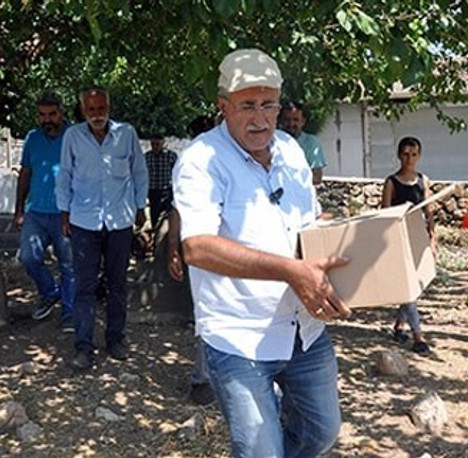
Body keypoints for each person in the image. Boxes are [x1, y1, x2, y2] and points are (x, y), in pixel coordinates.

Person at [172, 48, 351, 457]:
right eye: (248, 105)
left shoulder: (290, 150)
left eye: (269, 105)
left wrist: (347, 237)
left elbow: (308, 222)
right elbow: (196, 247)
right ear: (223, 107)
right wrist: (290, 270)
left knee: (322, 433)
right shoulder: (201, 160)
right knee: (261, 452)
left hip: (304, 330)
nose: (261, 118)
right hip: (240, 338)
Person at [56, 87, 149, 370]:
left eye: (101, 108)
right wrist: (64, 212)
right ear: (83, 111)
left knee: (117, 284)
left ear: (108, 107)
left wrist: (140, 207)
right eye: (91, 109)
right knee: (84, 286)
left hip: (119, 221)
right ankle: (84, 346)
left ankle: (116, 339)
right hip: (84, 221)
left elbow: (139, 171)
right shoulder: (73, 136)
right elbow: (65, 175)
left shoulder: (126, 134)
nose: (97, 115)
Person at [14, 91, 75, 332]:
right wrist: (19, 209)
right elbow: (25, 173)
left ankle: (69, 313)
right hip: (36, 212)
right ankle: (50, 292)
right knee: (29, 258)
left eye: (52, 114)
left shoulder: (75, 135)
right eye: (42, 115)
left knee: (69, 265)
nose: (47, 119)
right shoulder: (32, 138)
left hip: (66, 212)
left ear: (61, 112)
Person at [167, 114, 216, 406]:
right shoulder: (190, 165)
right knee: (208, 312)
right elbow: (177, 209)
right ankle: (203, 379)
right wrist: (173, 248)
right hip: (202, 249)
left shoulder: (235, 159)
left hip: (233, 249)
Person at [380, 136, 435, 356]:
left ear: (419, 156)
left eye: (413, 154)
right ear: (398, 155)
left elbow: (429, 212)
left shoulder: (423, 180)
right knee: (408, 286)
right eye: (405, 154)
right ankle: (418, 336)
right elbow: (384, 214)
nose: (409, 159)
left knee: (414, 285)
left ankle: (399, 326)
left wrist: (433, 239)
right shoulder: (391, 182)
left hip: (417, 239)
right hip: (397, 239)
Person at [279, 101, 327, 185]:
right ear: (281, 121)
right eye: (287, 120)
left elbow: (316, 177)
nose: (291, 124)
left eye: (295, 120)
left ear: (303, 121)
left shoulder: (311, 142)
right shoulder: (273, 141)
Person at [144, 135, 178, 228]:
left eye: (157, 144)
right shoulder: (147, 157)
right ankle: (155, 231)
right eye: (153, 144)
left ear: (163, 144)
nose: (155, 146)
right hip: (153, 190)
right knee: (154, 214)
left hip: (167, 190)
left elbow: (177, 172)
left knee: (167, 214)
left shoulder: (171, 156)